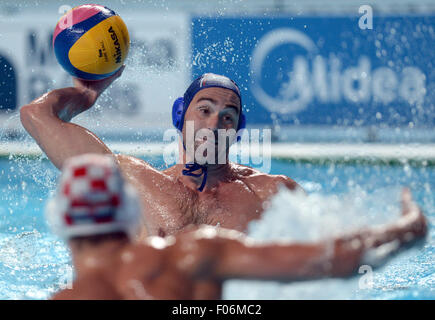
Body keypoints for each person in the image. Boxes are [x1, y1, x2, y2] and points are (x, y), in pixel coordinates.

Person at [48, 154, 428, 300]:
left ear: (61, 223)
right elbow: (341, 259)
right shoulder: (194, 252)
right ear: (132, 214)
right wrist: (408, 226)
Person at [20, 70, 302, 238]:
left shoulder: (273, 193)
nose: (214, 125)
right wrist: (84, 94)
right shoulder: (134, 183)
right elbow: (36, 114)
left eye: (228, 117)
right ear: (180, 115)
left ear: (237, 129)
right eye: (204, 110)